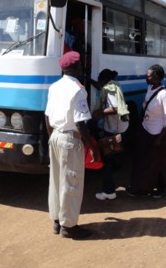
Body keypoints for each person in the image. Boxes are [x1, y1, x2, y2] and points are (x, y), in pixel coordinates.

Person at [45, 51, 100, 239]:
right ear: (77, 67)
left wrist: (52, 138)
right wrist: (92, 146)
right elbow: (80, 122)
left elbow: (46, 116)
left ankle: (56, 221)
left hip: (55, 136)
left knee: (56, 181)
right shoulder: (78, 89)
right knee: (71, 184)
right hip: (70, 139)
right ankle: (68, 226)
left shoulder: (54, 86)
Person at [127, 64, 166, 198]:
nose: (146, 78)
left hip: (157, 133)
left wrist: (160, 137)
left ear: (157, 77)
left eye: (149, 76)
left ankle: (160, 188)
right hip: (146, 130)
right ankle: (142, 188)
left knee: (158, 163)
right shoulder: (150, 88)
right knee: (144, 162)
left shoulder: (164, 94)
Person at [91, 69, 130, 201]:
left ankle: (109, 191)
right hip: (119, 128)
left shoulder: (110, 89)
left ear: (104, 80)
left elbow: (116, 108)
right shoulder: (113, 85)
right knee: (113, 158)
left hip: (114, 131)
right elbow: (99, 86)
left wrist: (99, 112)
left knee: (106, 161)